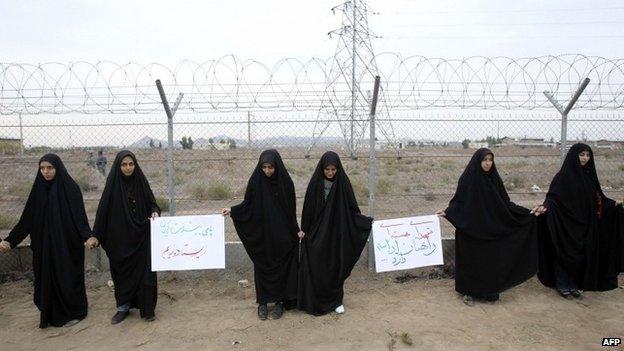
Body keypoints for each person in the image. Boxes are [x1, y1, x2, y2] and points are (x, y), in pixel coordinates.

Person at [0, 154, 98, 328]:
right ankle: (51, 313)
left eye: (50, 168)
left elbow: (79, 217)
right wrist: (10, 241)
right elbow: (26, 220)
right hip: (44, 247)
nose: (46, 172)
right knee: (46, 279)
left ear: (57, 168)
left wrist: (87, 236)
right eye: (42, 168)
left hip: (67, 246)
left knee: (67, 278)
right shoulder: (38, 190)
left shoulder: (70, 188)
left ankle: (73, 313)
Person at [436, 148, 543, 306]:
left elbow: (505, 204)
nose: (488, 163)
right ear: (477, 161)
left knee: (490, 260)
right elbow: (459, 202)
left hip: (490, 228)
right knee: (471, 259)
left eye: (490, 160)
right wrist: (448, 213)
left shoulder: (494, 180)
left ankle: (488, 291)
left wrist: (527, 213)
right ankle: (469, 292)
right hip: (471, 230)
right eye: (484, 160)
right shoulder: (468, 179)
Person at [535, 143, 623, 299]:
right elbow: (552, 198)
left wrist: (612, 204)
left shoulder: (589, 176)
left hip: (585, 224)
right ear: (574, 156)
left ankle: (574, 285)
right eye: (582, 155)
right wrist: (545, 207)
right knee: (563, 252)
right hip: (565, 224)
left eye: (588, 155)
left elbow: (598, 198)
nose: (585, 158)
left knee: (581, 255)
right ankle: (562, 284)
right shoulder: (563, 177)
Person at [222, 149, 301, 320]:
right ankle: (263, 303)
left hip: (281, 234)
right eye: (264, 167)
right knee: (262, 266)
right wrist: (233, 210)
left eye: (270, 167)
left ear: (277, 167)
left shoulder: (286, 183)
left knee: (282, 267)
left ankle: (280, 302)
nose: (267, 171)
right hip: (263, 234)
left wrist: (295, 230)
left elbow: (290, 211)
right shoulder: (256, 182)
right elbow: (248, 204)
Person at [297, 151, 373, 315]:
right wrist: (304, 228)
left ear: (338, 168)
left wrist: (365, 222)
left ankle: (336, 300)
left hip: (336, 233)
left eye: (333, 169)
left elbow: (352, 209)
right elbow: (308, 209)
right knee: (316, 266)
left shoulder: (343, 184)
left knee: (335, 265)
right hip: (317, 232)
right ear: (322, 169)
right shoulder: (315, 184)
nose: (330, 173)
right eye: (327, 170)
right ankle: (314, 300)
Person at [94, 150, 160, 324]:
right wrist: (96, 235)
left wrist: (154, 212)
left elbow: (152, 203)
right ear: (118, 166)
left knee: (146, 273)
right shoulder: (112, 186)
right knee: (121, 274)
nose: (128, 168)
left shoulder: (141, 182)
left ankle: (147, 309)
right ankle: (122, 308)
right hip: (119, 240)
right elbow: (103, 212)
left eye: (131, 164)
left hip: (141, 236)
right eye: (124, 164)